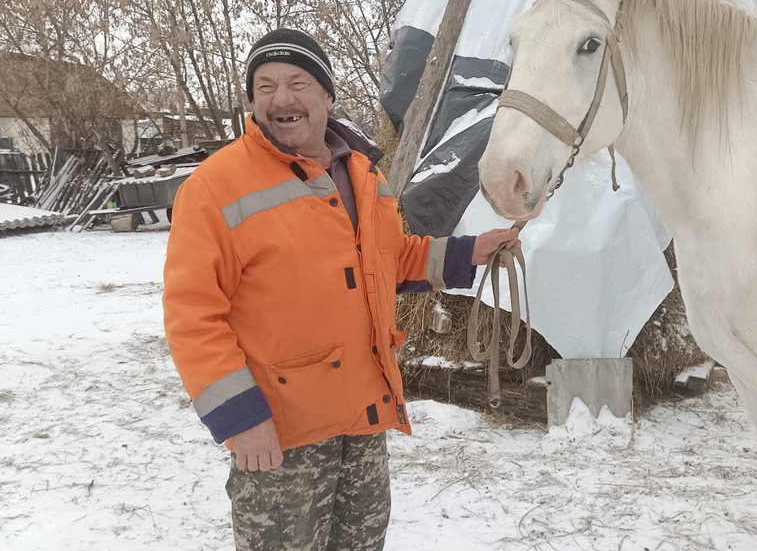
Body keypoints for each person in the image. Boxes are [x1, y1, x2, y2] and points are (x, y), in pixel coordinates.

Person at [163, 28, 519, 551]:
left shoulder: (362, 174)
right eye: (265, 85)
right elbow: (192, 315)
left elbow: (392, 260)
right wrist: (242, 419)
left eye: (298, 82)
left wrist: (471, 252)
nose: (281, 98)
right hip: (282, 433)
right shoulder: (214, 188)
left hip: (363, 416)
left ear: (328, 95)